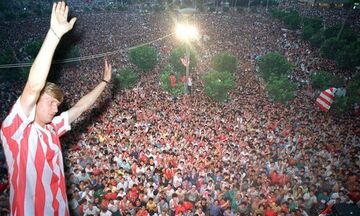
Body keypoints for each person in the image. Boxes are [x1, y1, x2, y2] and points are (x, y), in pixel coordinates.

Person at [0, 1, 112, 215]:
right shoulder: (16, 132)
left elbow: (81, 107)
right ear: (35, 101)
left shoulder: (51, 129)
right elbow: (33, 86)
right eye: (51, 102)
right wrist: (54, 34)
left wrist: (104, 83)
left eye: (57, 105)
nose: (55, 109)